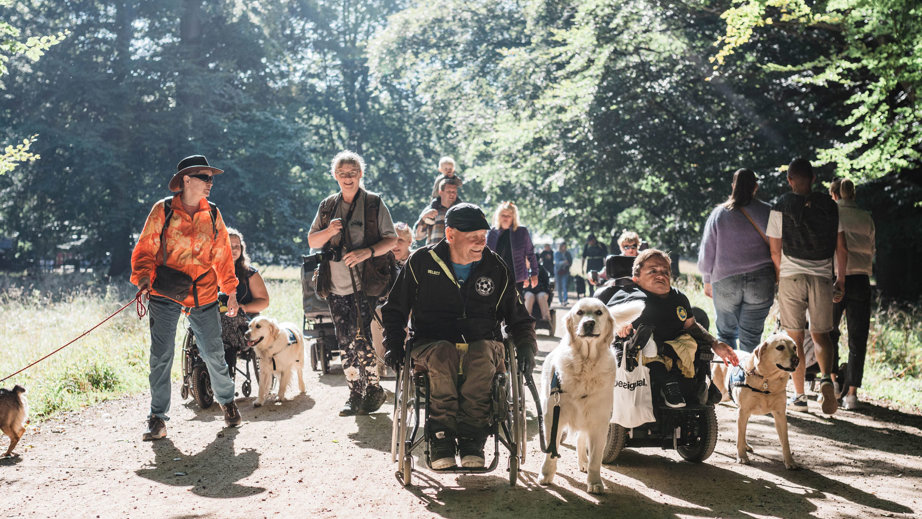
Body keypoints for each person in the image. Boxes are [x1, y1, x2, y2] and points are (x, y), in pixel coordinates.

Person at [382, 203, 537, 470]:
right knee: (443, 353)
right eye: (473, 236)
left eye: (483, 236)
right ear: (450, 234)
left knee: (482, 352)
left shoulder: (495, 267)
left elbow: (518, 316)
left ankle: (471, 437)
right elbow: (395, 309)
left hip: (483, 345)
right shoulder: (421, 262)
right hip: (431, 345)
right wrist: (393, 344)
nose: (480, 243)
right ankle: (441, 436)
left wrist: (525, 346)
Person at [131, 155, 242, 441]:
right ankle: (157, 419)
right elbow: (145, 249)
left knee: (214, 353)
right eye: (204, 177)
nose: (210, 183)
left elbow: (222, 256)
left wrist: (230, 291)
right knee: (161, 356)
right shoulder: (163, 210)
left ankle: (227, 402)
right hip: (165, 292)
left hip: (203, 292)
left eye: (211, 178)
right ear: (187, 180)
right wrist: (143, 279)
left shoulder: (214, 214)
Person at [308, 150, 398, 416]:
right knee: (343, 338)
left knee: (361, 337)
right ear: (335, 175)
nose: (348, 178)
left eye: (353, 172)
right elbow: (313, 241)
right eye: (343, 173)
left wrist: (365, 252)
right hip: (334, 283)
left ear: (360, 174)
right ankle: (354, 392)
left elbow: (391, 240)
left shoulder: (373, 203)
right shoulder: (327, 206)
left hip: (364, 282)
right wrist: (329, 231)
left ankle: (372, 388)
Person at [767, 158, 847, 415]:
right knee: (821, 335)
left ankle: (800, 396)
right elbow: (841, 247)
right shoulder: (830, 206)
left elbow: (775, 249)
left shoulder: (780, 205)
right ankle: (826, 380)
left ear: (790, 180)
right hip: (822, 276)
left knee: (795, 338)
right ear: (813, 179)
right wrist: (840, 279)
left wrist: (781, 276)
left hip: (792, 276)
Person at [614, 249, 739, 408]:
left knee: (691, 346)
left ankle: (696, 389)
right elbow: (611, 322)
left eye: (665, 271)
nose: (660, 275)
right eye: (653, 271)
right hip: (643, 354)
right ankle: (668, 386)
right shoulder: (628, 296)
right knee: (644, 345)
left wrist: (716, 344)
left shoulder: (679, 298)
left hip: (675, 350)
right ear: (636, 279)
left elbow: (691, 326)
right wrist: (621, 326)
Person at [697, 169, 775, 353]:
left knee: (726, 335)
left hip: (725, 281)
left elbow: (707, 251)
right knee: (752, 338)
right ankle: (747, 379)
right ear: (755, 187)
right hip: (761, 281)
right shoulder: (769, 212)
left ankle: (729, 379)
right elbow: (778, 248)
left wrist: (706, 280)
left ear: (733, 186)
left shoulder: (718, 214)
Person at [829, 178, 875, 410]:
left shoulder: (831, 214)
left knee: (830, 332)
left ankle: (834, 384)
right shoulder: (866, 217)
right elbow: (872, 250)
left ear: (835, 194)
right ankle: (852, 395)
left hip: (835, 278)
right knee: (858, 338)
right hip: (860, 280)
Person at [221, 228, 270, 368]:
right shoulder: (210, 270)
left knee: (229, 319)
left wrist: (245, 307)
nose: (234, 250)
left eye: (237, 246)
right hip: (215, 317)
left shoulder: (250, 273)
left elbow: (264, 301)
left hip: (244, 320)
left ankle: (226, 376)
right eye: (230, 246)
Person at [371, 221, 413, 378]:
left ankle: (408, 360)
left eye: (400, 240)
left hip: (412, 308)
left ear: (409, 242)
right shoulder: (382, 263)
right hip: (388, 307)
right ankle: (380, 362)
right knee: (376, 315)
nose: (396, 245)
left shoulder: (416, 261)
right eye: (392, 240)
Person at [486, 202, 539, 291]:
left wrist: (534, 274)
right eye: (503, 215)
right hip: (496, 277)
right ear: (499, 216)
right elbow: (486, 255)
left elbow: (530, 253)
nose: (505, 218)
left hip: (516, 277)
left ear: (513, 217)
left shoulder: (522, 232)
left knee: (515, 304)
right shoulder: (492, 233)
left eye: (509, 216)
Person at [414, 177, 461, 245]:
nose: (452, 194)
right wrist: (424, 218)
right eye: (449, 191)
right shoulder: (430, 210)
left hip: (456, 253)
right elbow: (418, 236)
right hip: (434, 253)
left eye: (454, 192)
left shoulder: (461, 211)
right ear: (440, 192)